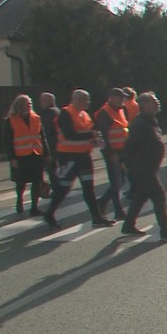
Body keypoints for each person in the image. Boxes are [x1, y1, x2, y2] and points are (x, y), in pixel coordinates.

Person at [44, 89, 115, 230]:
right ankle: (49, 213)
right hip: (68, 157)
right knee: (63, 188)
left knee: (88, 187)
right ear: (78, 100)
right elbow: (70, 134)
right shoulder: (66, 113)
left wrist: (95, 138)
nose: (88, 102)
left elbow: (89, 132)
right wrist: (91, 135)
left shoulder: (84, 114)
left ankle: (97, 217)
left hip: (83, 156)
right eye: (86, 100)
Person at [120, 92, 167, 242]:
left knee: (141, 195)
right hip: (144, 168)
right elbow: (130, 144)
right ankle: (165, 232)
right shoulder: (139, 123)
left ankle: (128, 225)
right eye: (153, 101)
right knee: (159, 196)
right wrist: (127, 163)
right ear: (144, 105)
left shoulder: (150, 121)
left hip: (149, 167)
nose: (157, 102)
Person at [4, 94, 49, 216]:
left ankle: (34, 207)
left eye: (30, 103)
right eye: (26, 104)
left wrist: (47, 154)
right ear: (19, 105)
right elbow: (8, 141)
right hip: (20, 156)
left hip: (36, 154)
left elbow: (42, 137)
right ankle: (19, 201)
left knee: (37, 181)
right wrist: (12, 158)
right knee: (20, 182)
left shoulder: (36, 118)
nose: (29, 106)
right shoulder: (11, 120)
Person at [94, 87, 129, 220]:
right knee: (116, 181)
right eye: (121, 98)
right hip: (112, 152)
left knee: (120, 181)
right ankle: (118, 211)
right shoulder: (104, 112)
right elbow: (103, 135)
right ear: (112, 98)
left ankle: (102, 202)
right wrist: (111, 153)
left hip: (122, 151)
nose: (123, 100)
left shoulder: (120, 110)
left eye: (124, 98)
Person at [38, 92, 60, 187]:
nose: (41, 102)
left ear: (50, 101)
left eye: (43, 100)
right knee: (54, 169)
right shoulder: (57, 111)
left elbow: (46, 131)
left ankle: (56, 189)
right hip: (57, 145)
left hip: (51, 146)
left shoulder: (50, 113)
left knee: (51, 170)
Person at [122, 87, 140, 199]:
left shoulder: (125, 106)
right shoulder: (136, 105)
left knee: (129, 167)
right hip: (136, 135)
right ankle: (135, 189)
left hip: (128, 136)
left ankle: (134, 190)